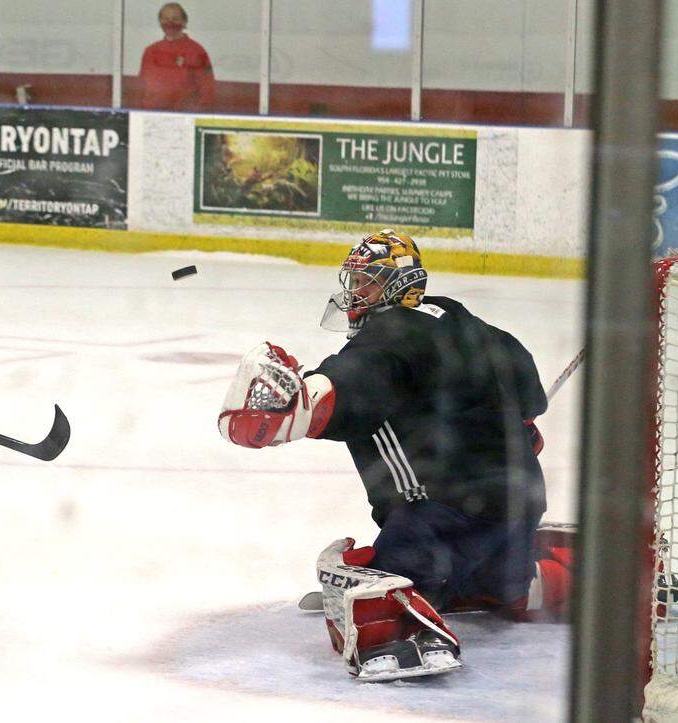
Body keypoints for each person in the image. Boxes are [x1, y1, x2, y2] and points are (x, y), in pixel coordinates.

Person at [218, 230, 572, 681]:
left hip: (438, 519)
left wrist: (289, 405)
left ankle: (407, 625)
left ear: (400, 283)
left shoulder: (385, 336)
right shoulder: (469, 324)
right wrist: (516, 428)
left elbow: (343, 391)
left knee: (374, 579)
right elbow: (530, 398)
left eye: (366, 281)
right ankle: (535, 579)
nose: (353, 293)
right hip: (520, 507)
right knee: (503, 585)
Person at [137, 3, 215, 111]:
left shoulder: (197, 51)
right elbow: (141, 87)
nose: (170, 23)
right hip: (152, 115)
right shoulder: (150, 51)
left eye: (175, 19)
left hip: (185, 117)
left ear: (184, 22)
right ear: (160, 21)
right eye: (165, 18)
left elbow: (207, 89)